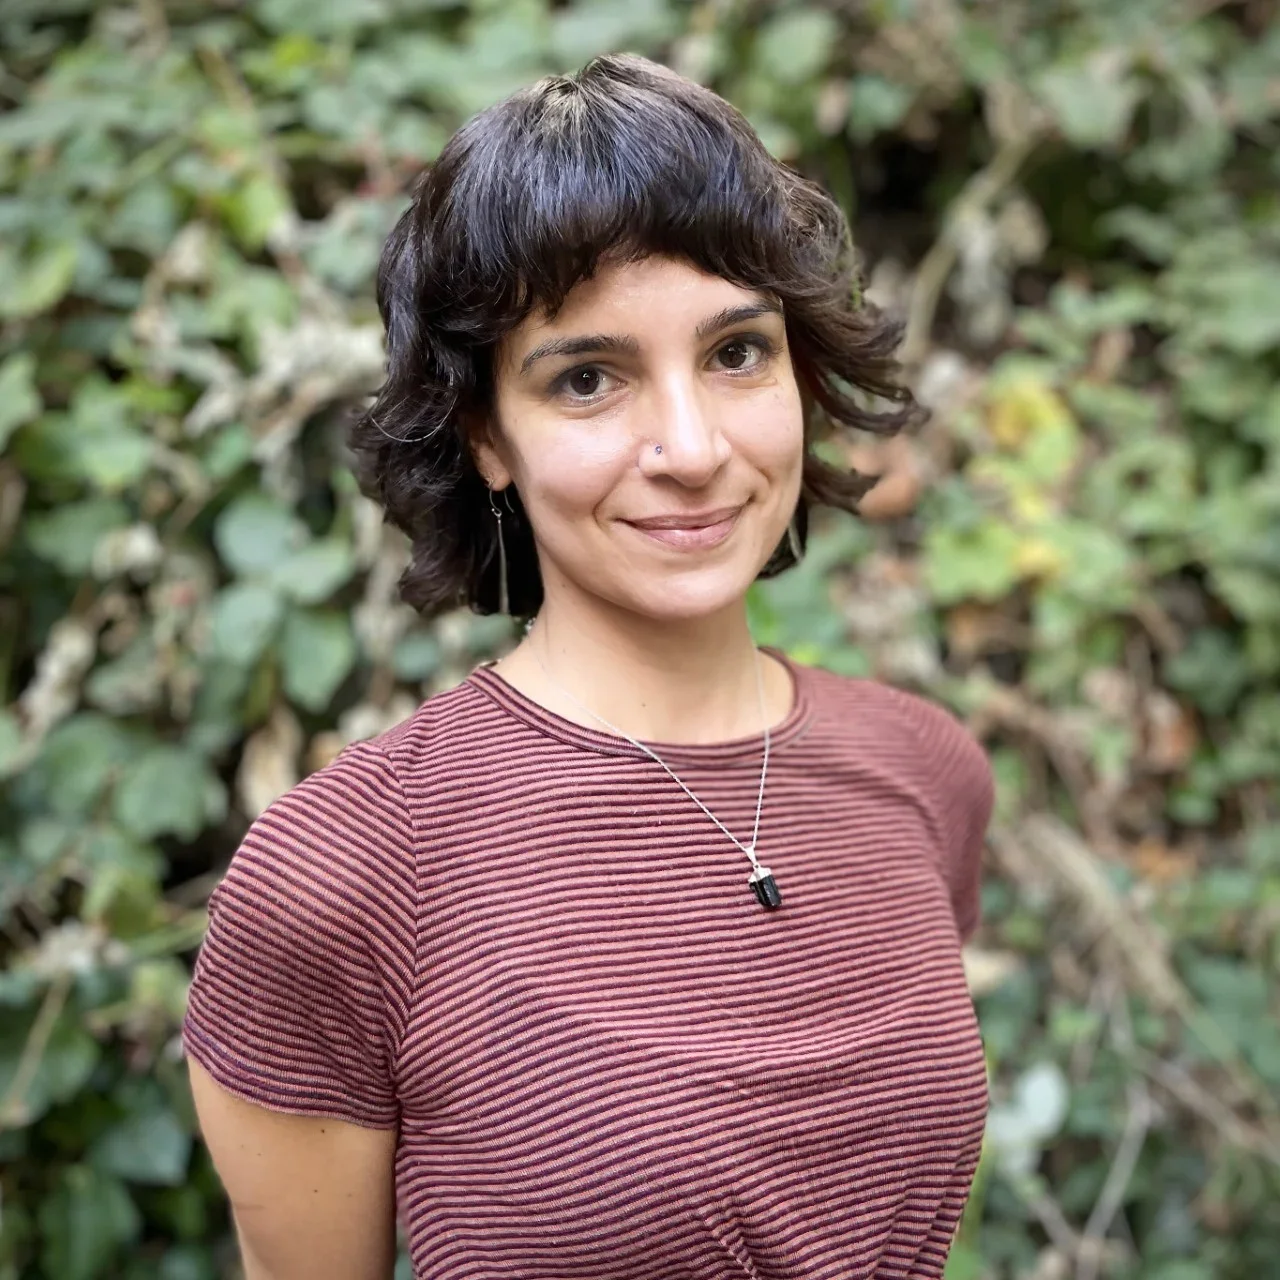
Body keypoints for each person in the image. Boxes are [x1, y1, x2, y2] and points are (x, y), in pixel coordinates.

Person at [183, 52, 995, 1280]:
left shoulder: (923, 770)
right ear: (484, 435)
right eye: (586, 377)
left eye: (735, 352)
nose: (688, 445)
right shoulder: (344, 875)